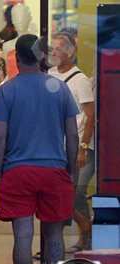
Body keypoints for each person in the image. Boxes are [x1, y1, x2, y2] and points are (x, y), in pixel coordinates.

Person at [0, 34, 79, 264]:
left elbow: (0, 136)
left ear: (16, 58)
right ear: (42, 56)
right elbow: (73, 135)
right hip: (54, 170)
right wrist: (71, 170)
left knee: (23, 236)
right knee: (54, 237)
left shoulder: (6, 91)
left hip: (18, 171)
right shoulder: (59, 88)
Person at [49, 32, 95, 252]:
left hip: (77, 146)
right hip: (55, 146)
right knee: (60, 193)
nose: (54, 52)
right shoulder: (48, 75)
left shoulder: (80, 80)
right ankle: (81, 229)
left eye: (59, 48)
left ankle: (86, 233)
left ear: (70, 52)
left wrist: (83, 147)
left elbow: (89, 115)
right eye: (53, 48)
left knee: (75, 192)